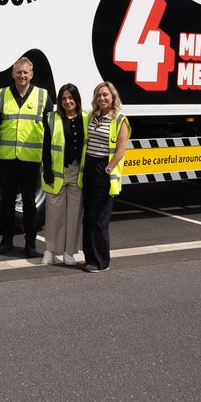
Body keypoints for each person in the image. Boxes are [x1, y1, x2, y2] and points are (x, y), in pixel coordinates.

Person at [0, 56, 52, 257]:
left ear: (31, 74)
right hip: (7, 158)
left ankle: (30, 244)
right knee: (7, 202)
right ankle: (6, 240)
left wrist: (48, 164)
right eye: (18, 72)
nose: (22, 75)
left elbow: (50, 132)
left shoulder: (43, 96)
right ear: (12, 73)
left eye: (25, 72)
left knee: (29, 204)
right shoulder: (2, 95)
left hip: (30, 160)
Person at [80, 81, 130, 272]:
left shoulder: (120, 120)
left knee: (99, 218)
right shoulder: (93, 117)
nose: (102, 98)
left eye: (105, 95)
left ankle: (101, 261)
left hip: (103, 169)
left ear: (113, 97)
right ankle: (89, 257)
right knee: (88, 217)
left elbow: (120, 150)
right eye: (99, 95)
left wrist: (108, 169)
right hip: (89, 168)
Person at [41, 83, 86, 265]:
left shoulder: (86, 118)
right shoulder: (52, 118)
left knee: (74, 215)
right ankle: (50, 251)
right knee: (53, 215)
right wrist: (48, 173)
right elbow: (45, 147)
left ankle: (69, 252)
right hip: (57, 173)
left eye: (71, 98)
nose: (68, 101)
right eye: (64, 98)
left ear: (77, 99)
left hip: (77, 173)